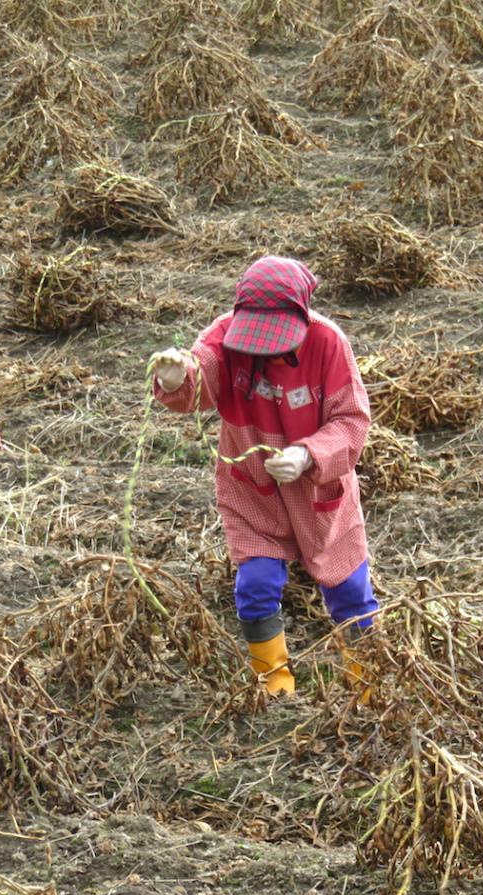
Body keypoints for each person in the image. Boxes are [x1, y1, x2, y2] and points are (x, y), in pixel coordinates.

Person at [150, 255, 378, 697]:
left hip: (317, 492)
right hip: (252, 487)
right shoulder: (223, 335)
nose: (267, 350)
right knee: (256, 586)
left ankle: (369, 687)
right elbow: (204, 378)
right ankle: (274, 688)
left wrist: (308, 455)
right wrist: (179, 378)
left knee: (350, 590)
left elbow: (351, 420)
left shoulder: (328, 343)